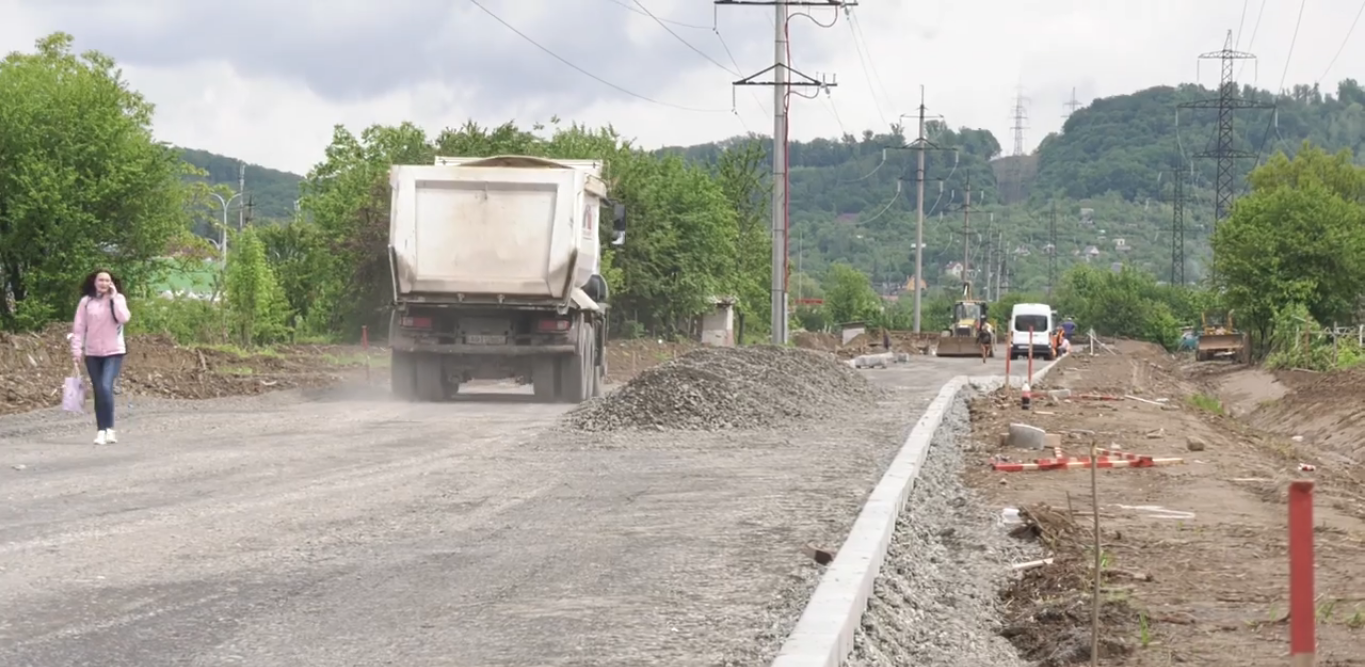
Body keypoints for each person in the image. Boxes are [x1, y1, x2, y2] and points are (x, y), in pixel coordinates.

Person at [71, 270, 131, 445]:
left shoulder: (118, 299)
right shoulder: (86, 302)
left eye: (107, 280)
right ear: (94, 282)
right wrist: (76, 350)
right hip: (92, 352)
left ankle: (110, 429)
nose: (104, 283)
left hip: (114, 351)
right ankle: (101, 431)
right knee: (98, 390)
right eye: (101, 280)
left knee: (106, 386)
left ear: (111, 283)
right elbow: (79, 327)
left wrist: (114, 298)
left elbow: (124, 317)